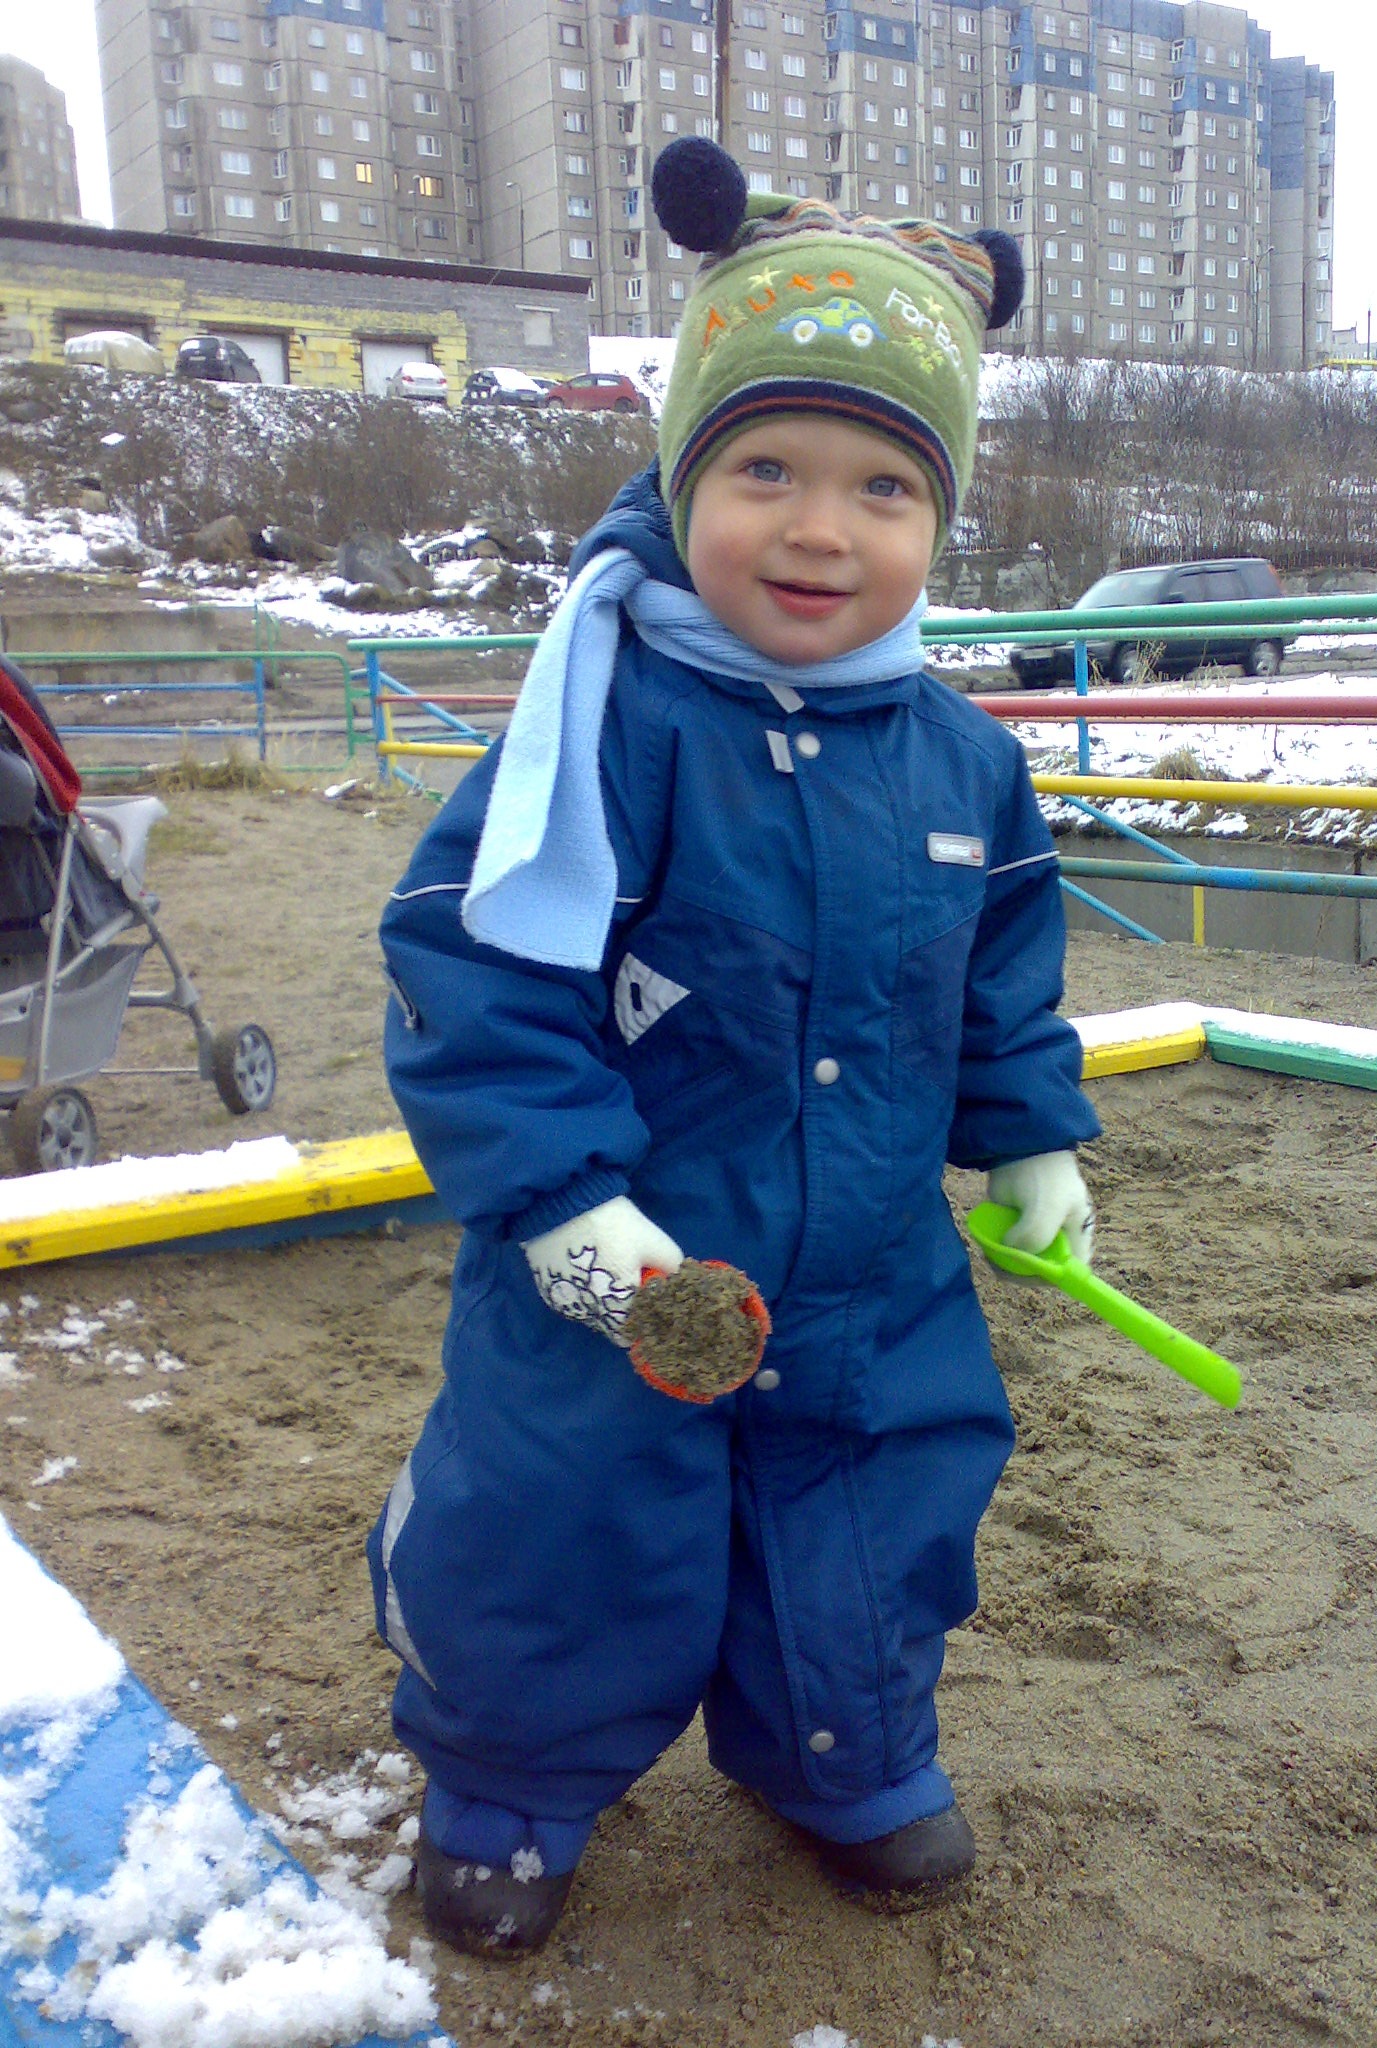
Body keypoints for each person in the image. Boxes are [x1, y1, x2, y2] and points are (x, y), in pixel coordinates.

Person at [368, 138, 1100, 1957]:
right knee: (562, 1520)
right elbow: (475, 969)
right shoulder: (609, 719)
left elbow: (1003, 975)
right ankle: (512, 1784)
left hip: (868, 1268)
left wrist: (1032, 1135)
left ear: (938, 522)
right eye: (766, 469)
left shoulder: (964, 757)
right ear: (685, 473)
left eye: (882, 487)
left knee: (875, 1503)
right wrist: (565, 1210)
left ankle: (843, 1756)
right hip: (629, 1267)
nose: (821, 529)